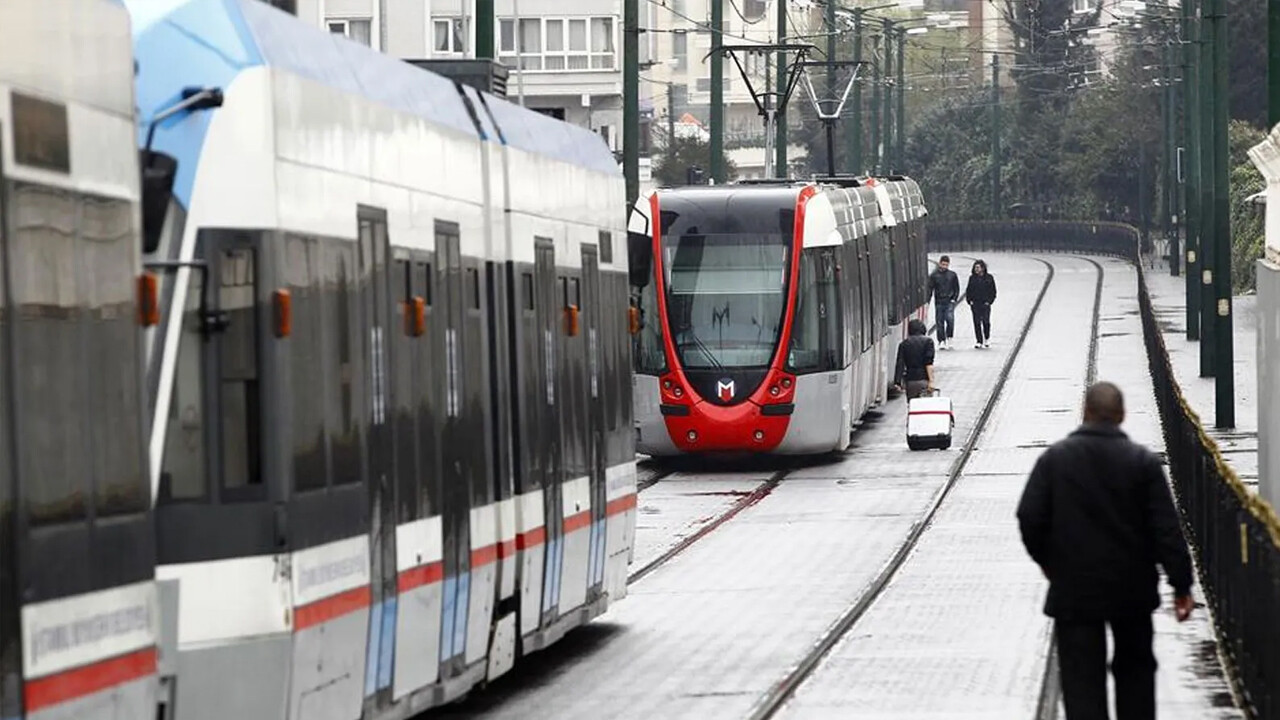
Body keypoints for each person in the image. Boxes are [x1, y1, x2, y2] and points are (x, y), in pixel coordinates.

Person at [1016, 381, 1195, 720]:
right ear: (1122, 415)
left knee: (1081, 683)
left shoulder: (1055, 461)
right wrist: (1181, 585)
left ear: (1084, 413)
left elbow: (1029, 516)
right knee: (1136, 675)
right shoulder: (1142, 463)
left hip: (1074, 591)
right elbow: (1166, 530)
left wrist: (1048, 561)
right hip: (1132, 591)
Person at [893, 318, 935, 399]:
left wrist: (897, 382)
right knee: (925, 407)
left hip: (910, 382)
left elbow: (900, 364)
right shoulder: (928, 342)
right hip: (924, 380)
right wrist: (931, 381)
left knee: (912, 405)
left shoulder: (904, 344)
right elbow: (928, 363)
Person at [927, 255, 960, 349]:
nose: (944, 266)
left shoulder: (952, 275)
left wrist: (954, 298)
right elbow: (930, 289)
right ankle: (941, 340)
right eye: (943, 264)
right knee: (939, 322)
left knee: (950, 320)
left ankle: (949, 337)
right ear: (940, 263)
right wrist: (928, 301)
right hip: (939, 301)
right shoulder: (934, 276)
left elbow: (956, 288)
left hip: (949, 301)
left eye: (946, 264)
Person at [964, 259, 997, 348]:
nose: (976, 269)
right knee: (977, 322)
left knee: (986, 321)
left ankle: (987, 338)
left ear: (983, 268)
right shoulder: (972, 278)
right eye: (975, 267)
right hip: (975, 303)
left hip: (985, 303)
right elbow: (968, 290)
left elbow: (993, 291)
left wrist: (989, 301)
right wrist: (969, 300)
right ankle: (979, 340)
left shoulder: (989, 278)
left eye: (978, 267)